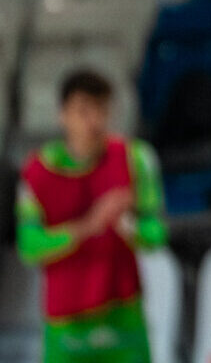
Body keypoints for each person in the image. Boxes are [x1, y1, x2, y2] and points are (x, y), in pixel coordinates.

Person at [17, 69, 167, 363]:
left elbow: (156, 235)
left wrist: (128, 227)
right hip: (66, 321)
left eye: (101, 110)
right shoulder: (37, 172)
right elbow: (30, 246)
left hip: (122, 314)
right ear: (63, 115)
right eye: (83, 111)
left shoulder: (136, 159)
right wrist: (89, 226)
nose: (93, 122)